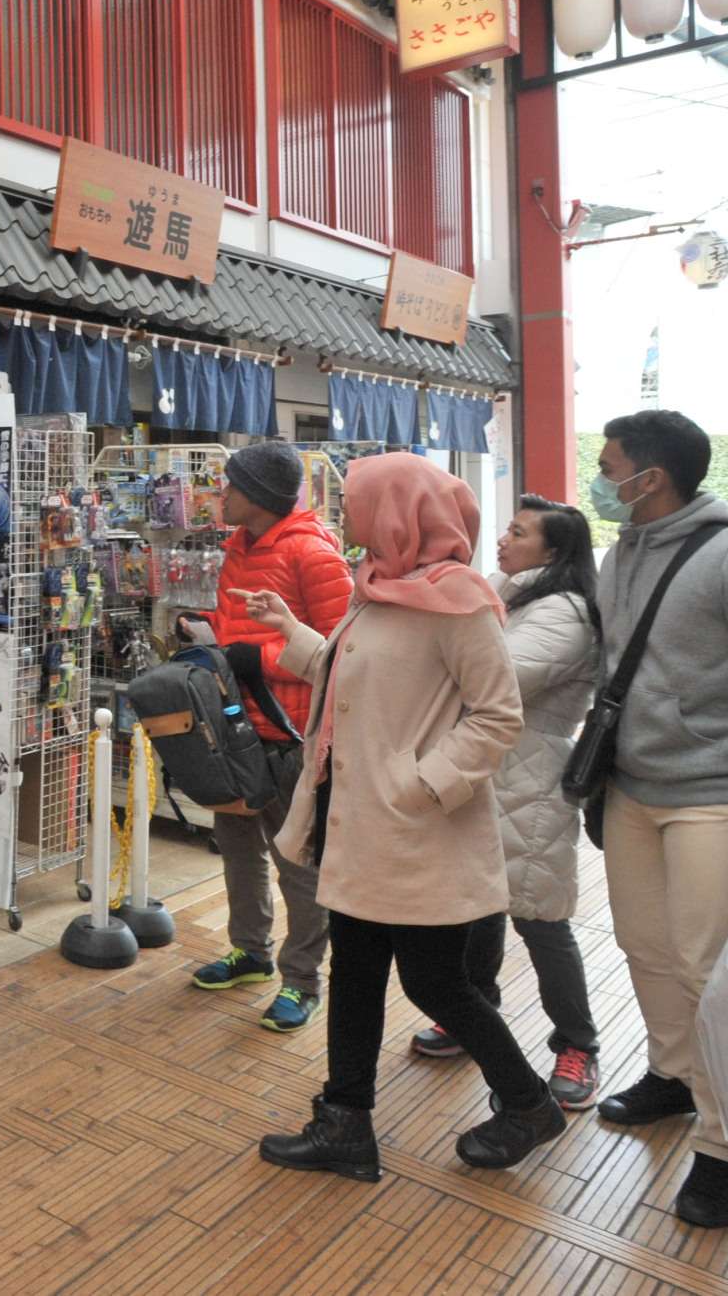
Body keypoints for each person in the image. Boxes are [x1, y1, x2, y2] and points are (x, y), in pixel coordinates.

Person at [252, 453, 564, 1183]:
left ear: (397, 510)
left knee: (436, 982)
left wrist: (422, 785)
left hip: (413, 830)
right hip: (358, 825)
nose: (347, 515)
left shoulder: (457, 600)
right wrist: (291, 628)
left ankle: (528, 1104)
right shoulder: (377, 588)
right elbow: (349, 678)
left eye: (359, 501)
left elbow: (497, 715)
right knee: (357, 972)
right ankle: (345, 1122)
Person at [587, 411, 728, 1227]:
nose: (600, 479)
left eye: (609, 466)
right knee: (644, 947)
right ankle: (673, 1076)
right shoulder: (620, 554)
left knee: (707, 969)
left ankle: (724, 1147)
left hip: (715, 796)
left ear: (651, 477)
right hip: (632, 791)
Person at [409, 496, 603, 1110]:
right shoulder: (510, 594)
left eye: (518, 533)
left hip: (531, 780)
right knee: (478, 905)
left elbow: (494, 677)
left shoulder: (565, 610)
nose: (502, 539)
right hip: (489, 769)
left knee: (540, 918)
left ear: (553, 551)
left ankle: (578, 1044)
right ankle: (475, 1016)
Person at [180, 442, 352, 1033]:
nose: (220, 494)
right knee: (236, 848)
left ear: (257, 493)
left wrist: (256, 658)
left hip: (290, 736)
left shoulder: (313, 552)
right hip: (234, 729)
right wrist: (209, 632)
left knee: (297, 865)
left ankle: (302, 981)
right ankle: (249, 952)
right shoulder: (238, 546)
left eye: (229, 484)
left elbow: (341, 653)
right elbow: (243, 628)